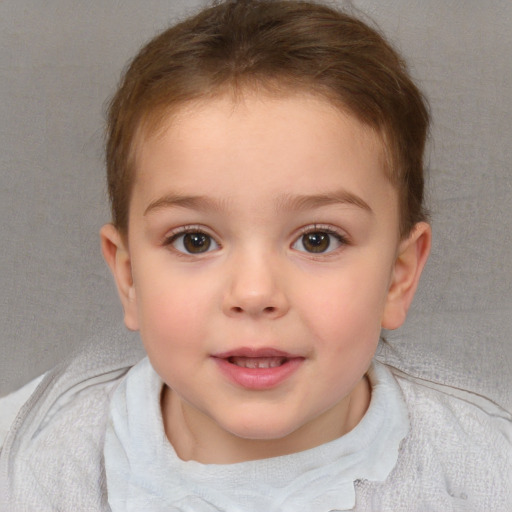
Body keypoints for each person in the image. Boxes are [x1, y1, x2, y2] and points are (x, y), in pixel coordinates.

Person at [1, 0, 510, 510]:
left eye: (318, 239)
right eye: (194, 240)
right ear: (129, 275)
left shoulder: (487, 469)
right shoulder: (29, 463)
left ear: (398, 277)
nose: (254, 293)